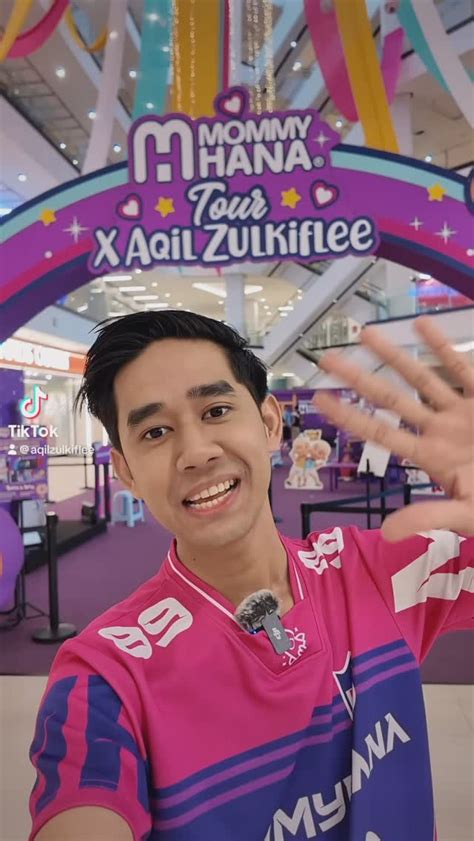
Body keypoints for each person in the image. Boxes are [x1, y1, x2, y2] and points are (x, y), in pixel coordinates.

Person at [28, 311, 473, 841]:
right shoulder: (109, 676)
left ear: (268, 423)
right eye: (155, 431)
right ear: (126, 472)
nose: (196, 453)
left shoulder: (376, 571)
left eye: (216, 410)